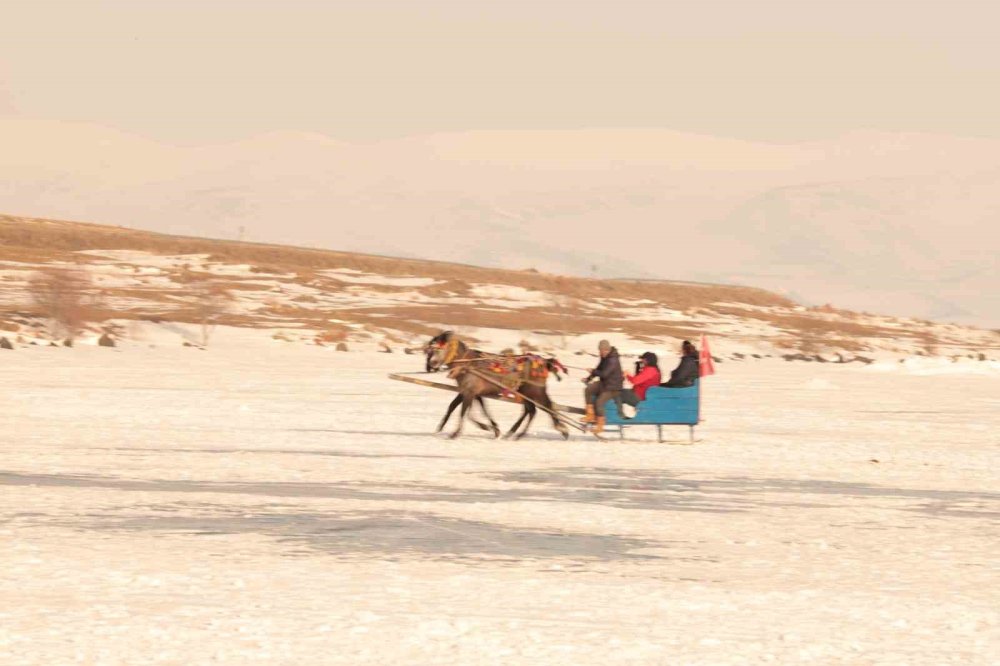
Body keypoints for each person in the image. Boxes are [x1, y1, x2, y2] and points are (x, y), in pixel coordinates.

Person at [581, 339, 623, 433]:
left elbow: (604, 374)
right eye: (599, 350)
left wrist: (593, 371)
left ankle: (600, 425)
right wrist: (589, 378)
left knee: (599, 401)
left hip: (613, 388)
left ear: (606, 350)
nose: (600, 352)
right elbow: (598, 369)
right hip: (605, 384)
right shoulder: (604, 357)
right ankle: (590, 415)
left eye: (601, 350)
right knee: (588, 389)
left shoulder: (613, 360)